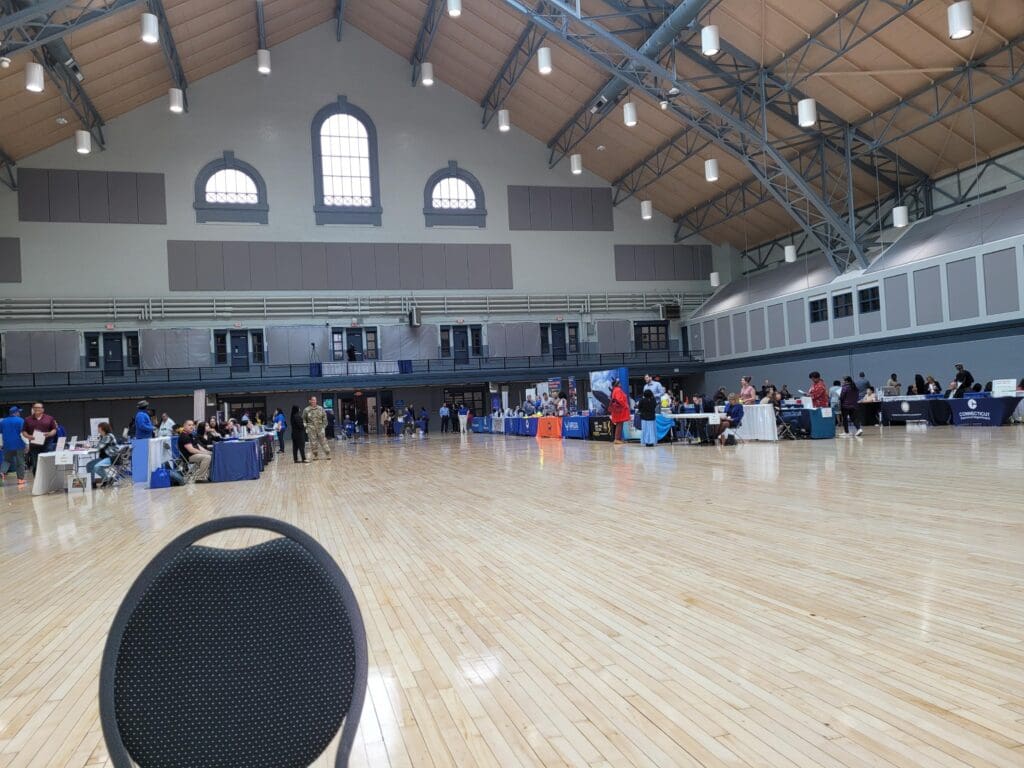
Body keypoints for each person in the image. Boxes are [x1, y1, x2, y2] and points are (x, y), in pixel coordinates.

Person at [21, 402, 58, 472]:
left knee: (47, 463)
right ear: (33, 409)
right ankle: (37, 481)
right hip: (34, 445)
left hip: (47, 444)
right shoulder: (27, 419)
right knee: (35, 464)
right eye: (35, 408)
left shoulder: (49, 418)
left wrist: (49, 434)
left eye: (39, 408)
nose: (37, 409)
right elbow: (24, 431)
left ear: (43, 409)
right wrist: (29, 436)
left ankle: (47, 480)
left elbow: (54, 429)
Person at [1, 405, 27, 488]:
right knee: (20, 462)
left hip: (7, 445)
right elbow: (23, 433)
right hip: (19, 444)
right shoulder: (20, 420)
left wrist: (1, 444)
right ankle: (20, 479)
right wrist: (27, 444)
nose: (19, 413)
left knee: (6, 461)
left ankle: (2, 472)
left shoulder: (3, 421)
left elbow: (0, 433)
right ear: (16, 413)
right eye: (18, 412)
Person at [609, 378, 630, 444]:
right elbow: (620, 400)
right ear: (617, 384)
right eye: (619, 382)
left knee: (619, 424)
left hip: (618, 410)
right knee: (619, 424)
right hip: (620, 410)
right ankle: (617, 439)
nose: (620, 383)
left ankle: (618, 439)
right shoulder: (618, 390)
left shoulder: (615, 390)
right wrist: (626, 405)